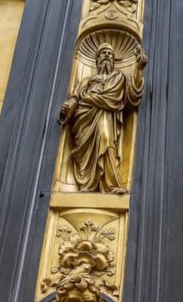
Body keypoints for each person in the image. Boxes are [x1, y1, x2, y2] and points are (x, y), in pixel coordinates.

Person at [58, 44, 147, 193]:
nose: (106, 55)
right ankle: (88, 183)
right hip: (86, 118)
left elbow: (132, 95)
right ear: (98, 60)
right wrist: (68, 106)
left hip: (106, 116)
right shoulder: (87, 80)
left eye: (109, 54)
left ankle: (110, 184)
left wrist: (138, 69)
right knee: (94, 147)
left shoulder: (119, 77)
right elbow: (76, 97)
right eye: (103, 53)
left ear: (113, 60)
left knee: (106, 139)